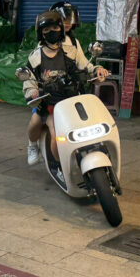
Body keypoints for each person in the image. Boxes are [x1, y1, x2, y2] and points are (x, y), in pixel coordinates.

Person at [24, 11, 108, 167]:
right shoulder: (35, 57)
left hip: (73, 99)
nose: (51, 32)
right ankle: (53, 161)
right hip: (50, 104)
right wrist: (32, 92)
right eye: (46, 30)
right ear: (41, 33)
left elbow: (85, 65)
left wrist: (97, 70)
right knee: (49, 129)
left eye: (55, 28)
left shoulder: (71, 51)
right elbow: (29, 80)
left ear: (61, 29)